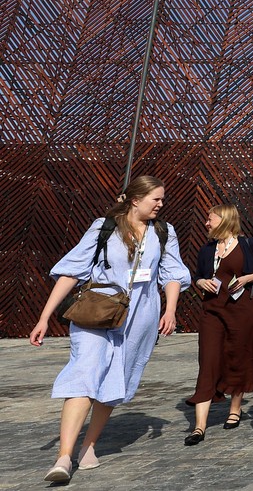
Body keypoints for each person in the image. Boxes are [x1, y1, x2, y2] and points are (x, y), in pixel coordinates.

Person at [29, 176, 190, 483]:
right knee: (84, 373)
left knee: (116, 376)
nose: (160, 204)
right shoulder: (104, 227)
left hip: (140, 317)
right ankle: (64, 455)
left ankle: (89, 446)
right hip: (98, 312)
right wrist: (44, 317)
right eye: (155, 198)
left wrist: (170, 310)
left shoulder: (164, 232)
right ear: (135, 199)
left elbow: (172, 273)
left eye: (162, 199)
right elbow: (71, 271)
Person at [184, 204, 253, 445]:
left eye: (210, 219)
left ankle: (235, 408)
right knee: (208, 361)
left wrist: (246, 278)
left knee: (238, 356)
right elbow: (198, 274)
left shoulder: (248, 244)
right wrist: (201, 282)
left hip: (242, 311)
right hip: (212, 311)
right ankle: (199, 427)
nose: (206, 223)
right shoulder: (207, 249)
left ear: (225, 220)